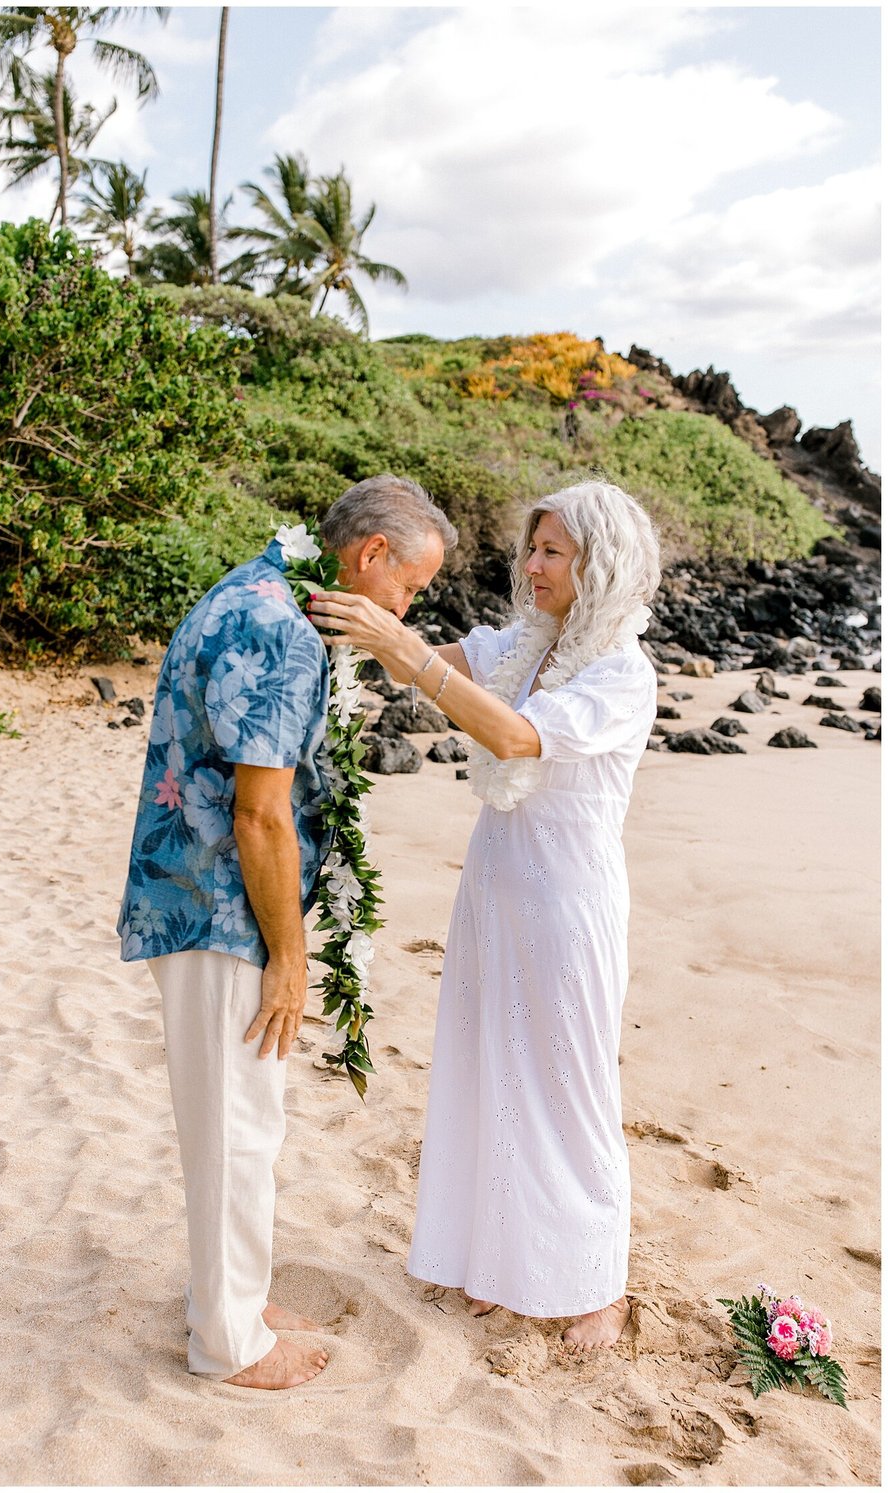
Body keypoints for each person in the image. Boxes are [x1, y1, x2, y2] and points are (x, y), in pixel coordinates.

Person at [118, 474, 457, 1390]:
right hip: (222, 909)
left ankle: (236, 1298)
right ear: (371, 555)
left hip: (206, 895)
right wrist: (290, 958)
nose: (405, 605)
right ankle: (227, 1343)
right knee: (237, 1126)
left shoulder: (263, 591)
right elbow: (260, 814)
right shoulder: (278, 630)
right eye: (410, 587)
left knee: (243, 1119)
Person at [308, 479, 660, 1354]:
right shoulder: (519, 644)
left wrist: (408, 651)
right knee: (494, 1070)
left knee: (574, 1085)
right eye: (531, 547)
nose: (530, 564)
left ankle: (598, 1284)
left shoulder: (621, 671)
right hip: (497, 882)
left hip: (569, 898)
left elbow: (511, 736)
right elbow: (418, 662)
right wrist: (349, 616)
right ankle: (511, 1266)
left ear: (599, 564)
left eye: (552, 552)